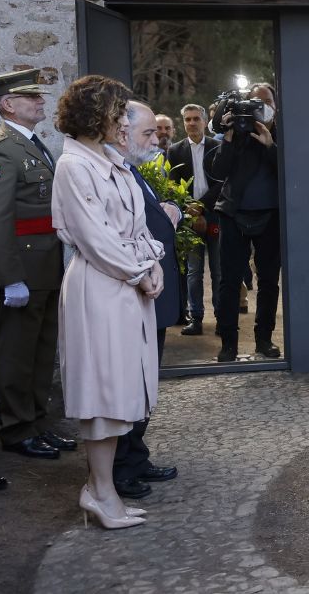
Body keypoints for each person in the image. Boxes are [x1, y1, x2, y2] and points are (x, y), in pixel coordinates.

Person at [51, 75, 163, 530]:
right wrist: (140, 271)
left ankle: (103, 490)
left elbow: (138, 227)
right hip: (99, 288)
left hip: (127, 285)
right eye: (118, 112)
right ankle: (99, 492)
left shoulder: (110, 161)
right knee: (103, 395)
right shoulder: (73, 166)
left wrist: (152, 262)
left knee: (123, 392)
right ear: (97, 115)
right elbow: (95, 239)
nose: (123, 122)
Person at [0, 69, 71, 461]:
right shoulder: (1, 149)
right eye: (31, 98)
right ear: (8, 105)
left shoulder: (33, 143)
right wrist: (9, 279)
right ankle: (17, 429)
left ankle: (38, 423)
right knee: (17, 354)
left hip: (46, 266)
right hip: (22, 269)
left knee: (41, 352)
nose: (40, 102)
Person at [109, 101, 181, 500]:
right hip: (134, 290)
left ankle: (136, 456)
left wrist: (171, 212)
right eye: (148, 133)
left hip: (149, 290)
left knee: (145, 383)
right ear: (122, 131)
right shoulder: (108, 171)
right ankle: (121, 468)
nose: (156, 139)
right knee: (130, 385)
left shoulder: (133, 169)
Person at [207, 83, 282, 362]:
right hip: (232, 214)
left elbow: (291, 172)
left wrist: (270, 145)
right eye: (253, 101)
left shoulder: (281, 134)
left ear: (275, 105)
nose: (259, 106)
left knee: (268, 281)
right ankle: (228, 343)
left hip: (270, 214)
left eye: (266, 101)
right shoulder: (235, 132)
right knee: (228, 282)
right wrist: (228, 137)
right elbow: (217, 171)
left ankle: (264, 340)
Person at [168, 103, 224, 337]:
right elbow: (172, 185)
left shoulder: (217, 147)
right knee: (194, 270)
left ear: (204, 121)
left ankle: (223, 318)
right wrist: (190, 211)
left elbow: (222, 182)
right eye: (187, 119)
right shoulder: (175, 150)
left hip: (214, 214)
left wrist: (201, 207)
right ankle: (196, 318)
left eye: (195, 119)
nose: (191, 123)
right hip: (189, 216)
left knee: (219, 270)